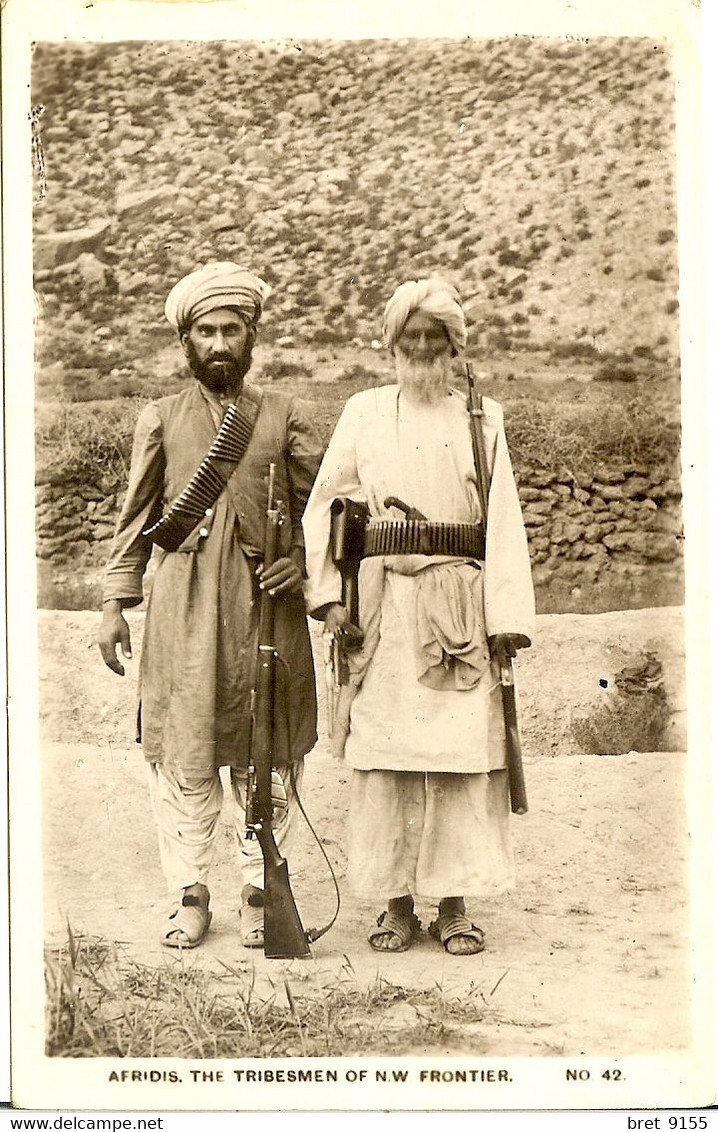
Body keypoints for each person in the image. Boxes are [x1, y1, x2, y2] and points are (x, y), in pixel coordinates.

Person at [302, 277, 535, 956]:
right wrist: (332, 600)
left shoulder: (482, 418)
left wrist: (505, 620)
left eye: (436, 337)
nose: (424, 348)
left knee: (461, 759)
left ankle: (454, 903)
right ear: (394, 345)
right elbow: (328, 506)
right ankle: (396, 905)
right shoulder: (364, 412)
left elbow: (504, 523)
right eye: (412, 338)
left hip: (459, 607)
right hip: (383, 612)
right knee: (385, 761)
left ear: (454, 347)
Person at [98, 262, 323, 949]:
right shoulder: (160, 418)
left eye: (232, 329)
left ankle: (262, 895)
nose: (219, 342)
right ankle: (190, 895)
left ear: (252, 336)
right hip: (186, 609)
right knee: (187, 757)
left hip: (266, 609)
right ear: (187, 341)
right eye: (206, 331)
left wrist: (303, 564)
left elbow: (332, 507)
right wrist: (114, 602)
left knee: (270, 760)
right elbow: (135, 519)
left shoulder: (284, 415)